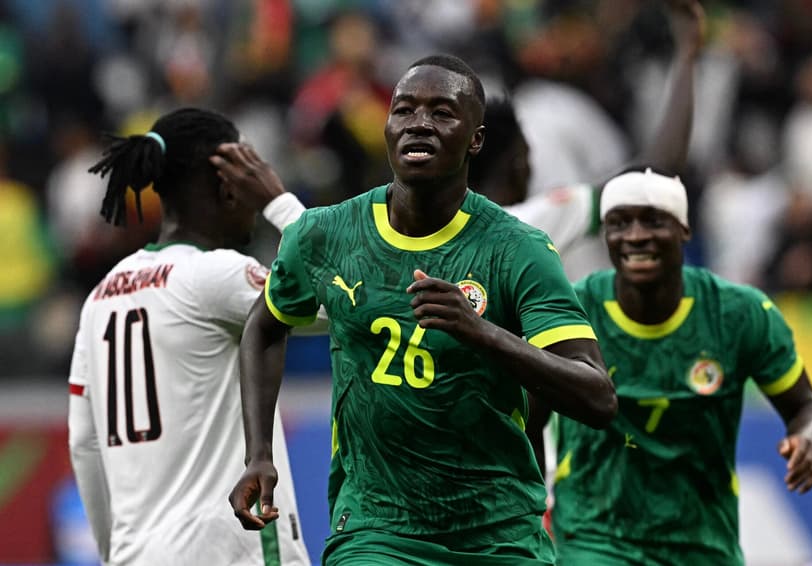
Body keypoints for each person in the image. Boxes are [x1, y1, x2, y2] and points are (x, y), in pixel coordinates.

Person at [229, 54, 617, 565]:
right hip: (376, 526)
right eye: (404, 110)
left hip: (498, 531)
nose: (419, 124)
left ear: (475, 139)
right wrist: (259, 453)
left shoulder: (517, 249)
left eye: (442, 113)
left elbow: (597, 395)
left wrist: (482, 333)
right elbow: (263, 326)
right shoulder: (325, 234)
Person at [529, 167, 812, 565]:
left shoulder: (740, 314)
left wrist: (807, 439)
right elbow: (528, 419)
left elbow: (808, 408)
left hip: (704, 544)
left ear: (685, 230)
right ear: (605, 235)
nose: (636, 236)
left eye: (654, 221)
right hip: (594, 539)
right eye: (620, 224)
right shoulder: (573, 311)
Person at [67, 107, 311, 566]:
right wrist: (280, 202)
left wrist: (114, 552)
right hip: (228, 550)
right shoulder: (216, 276)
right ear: (228, 182)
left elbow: (84, 443)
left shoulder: (100, 297)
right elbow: (342, 297)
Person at [468, 0, 704, 272]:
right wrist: (687, 53)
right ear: (515, 167)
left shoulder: (438, 237)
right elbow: (659, 167)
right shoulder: (535, 221)